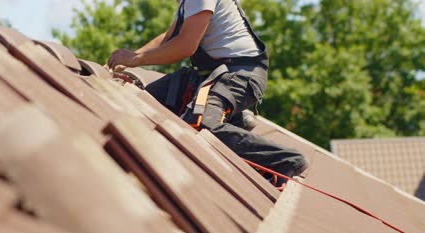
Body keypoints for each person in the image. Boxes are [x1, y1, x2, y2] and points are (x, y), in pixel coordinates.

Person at [107, 0, 308, 188]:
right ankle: (235, 122)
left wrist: (137, 59)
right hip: (211, 75)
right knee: (146, 98)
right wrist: (130, 59)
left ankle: (285, 159)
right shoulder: (186, 3)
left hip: (237, 75)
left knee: (202, 123)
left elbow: (185, 46)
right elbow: (169, 38)